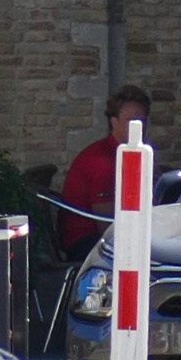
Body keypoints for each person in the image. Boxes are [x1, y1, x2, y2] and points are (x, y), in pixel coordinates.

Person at [57, 85, 155, 250]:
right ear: (114, 121)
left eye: (142, 121)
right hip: (85, 242)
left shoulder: (122, 154)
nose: (139, 127)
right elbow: (107, 225)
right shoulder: (103, 162)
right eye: (131, 121)